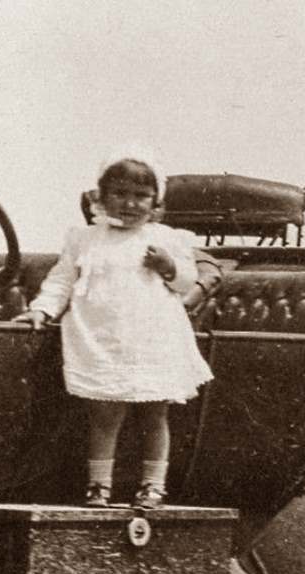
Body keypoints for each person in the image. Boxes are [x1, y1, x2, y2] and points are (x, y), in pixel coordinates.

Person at [14, 147, 213, 508]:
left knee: (154, 412)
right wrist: (41, 310)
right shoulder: (84, 239)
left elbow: (186, 283)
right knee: (104, 414)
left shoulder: (166, 238)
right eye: (120, 194)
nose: (130, 204)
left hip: (151, 339)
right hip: (100, 338)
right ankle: (99, 486)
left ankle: (153, 485)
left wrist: (169, 267)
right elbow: (61, 281)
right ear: (101, 198)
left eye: (141, 196)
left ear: (155, 201)